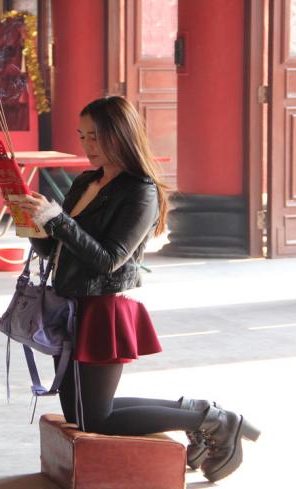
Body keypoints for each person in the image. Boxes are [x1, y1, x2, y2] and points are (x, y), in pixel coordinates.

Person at [18, 96, 260, 483]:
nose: (88, 145)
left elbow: (109, 259)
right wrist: (34, 224)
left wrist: (59, 221)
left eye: (96, 136)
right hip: (70, 304)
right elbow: (56, 250)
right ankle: (202, 413)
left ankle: (213, 421)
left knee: (96, 418)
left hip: (104, 306)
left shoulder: (140, 191)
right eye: (82, 136)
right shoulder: (85, 182)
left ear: (120, 136)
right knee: (80, 412)